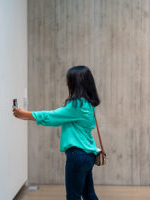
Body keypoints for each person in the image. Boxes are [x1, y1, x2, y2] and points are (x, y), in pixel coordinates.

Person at [13, 65, 100, 200]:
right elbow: (58, 118)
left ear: (76, 83)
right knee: (89, 194)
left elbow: (52, 116)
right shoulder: (88, 104)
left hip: (77, 155)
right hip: (89, 154)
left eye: (69, 80)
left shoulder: (77, 105)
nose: (66, 83)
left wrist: (24, 114)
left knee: (73, 196)